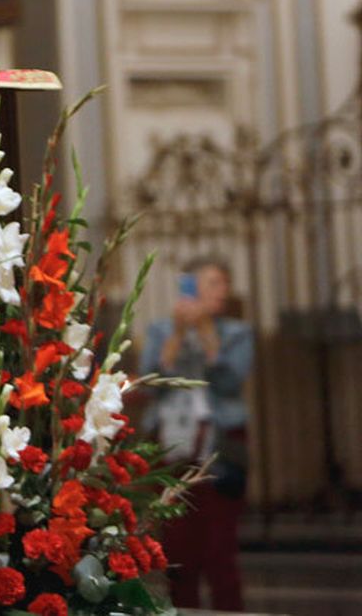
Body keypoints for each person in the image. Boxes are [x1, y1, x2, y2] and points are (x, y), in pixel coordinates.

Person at [141, 257, 255, 612]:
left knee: (220, 545)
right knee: (177, 545)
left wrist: (207, 332)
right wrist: (177, 333)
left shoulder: (238, 333)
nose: (222, 290)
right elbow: (150, 383)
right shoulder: (161, 331)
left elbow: (230, 380)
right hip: (173, 443)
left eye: (224, 283)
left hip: (221, 441)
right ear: (191, 288)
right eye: (213, 283)